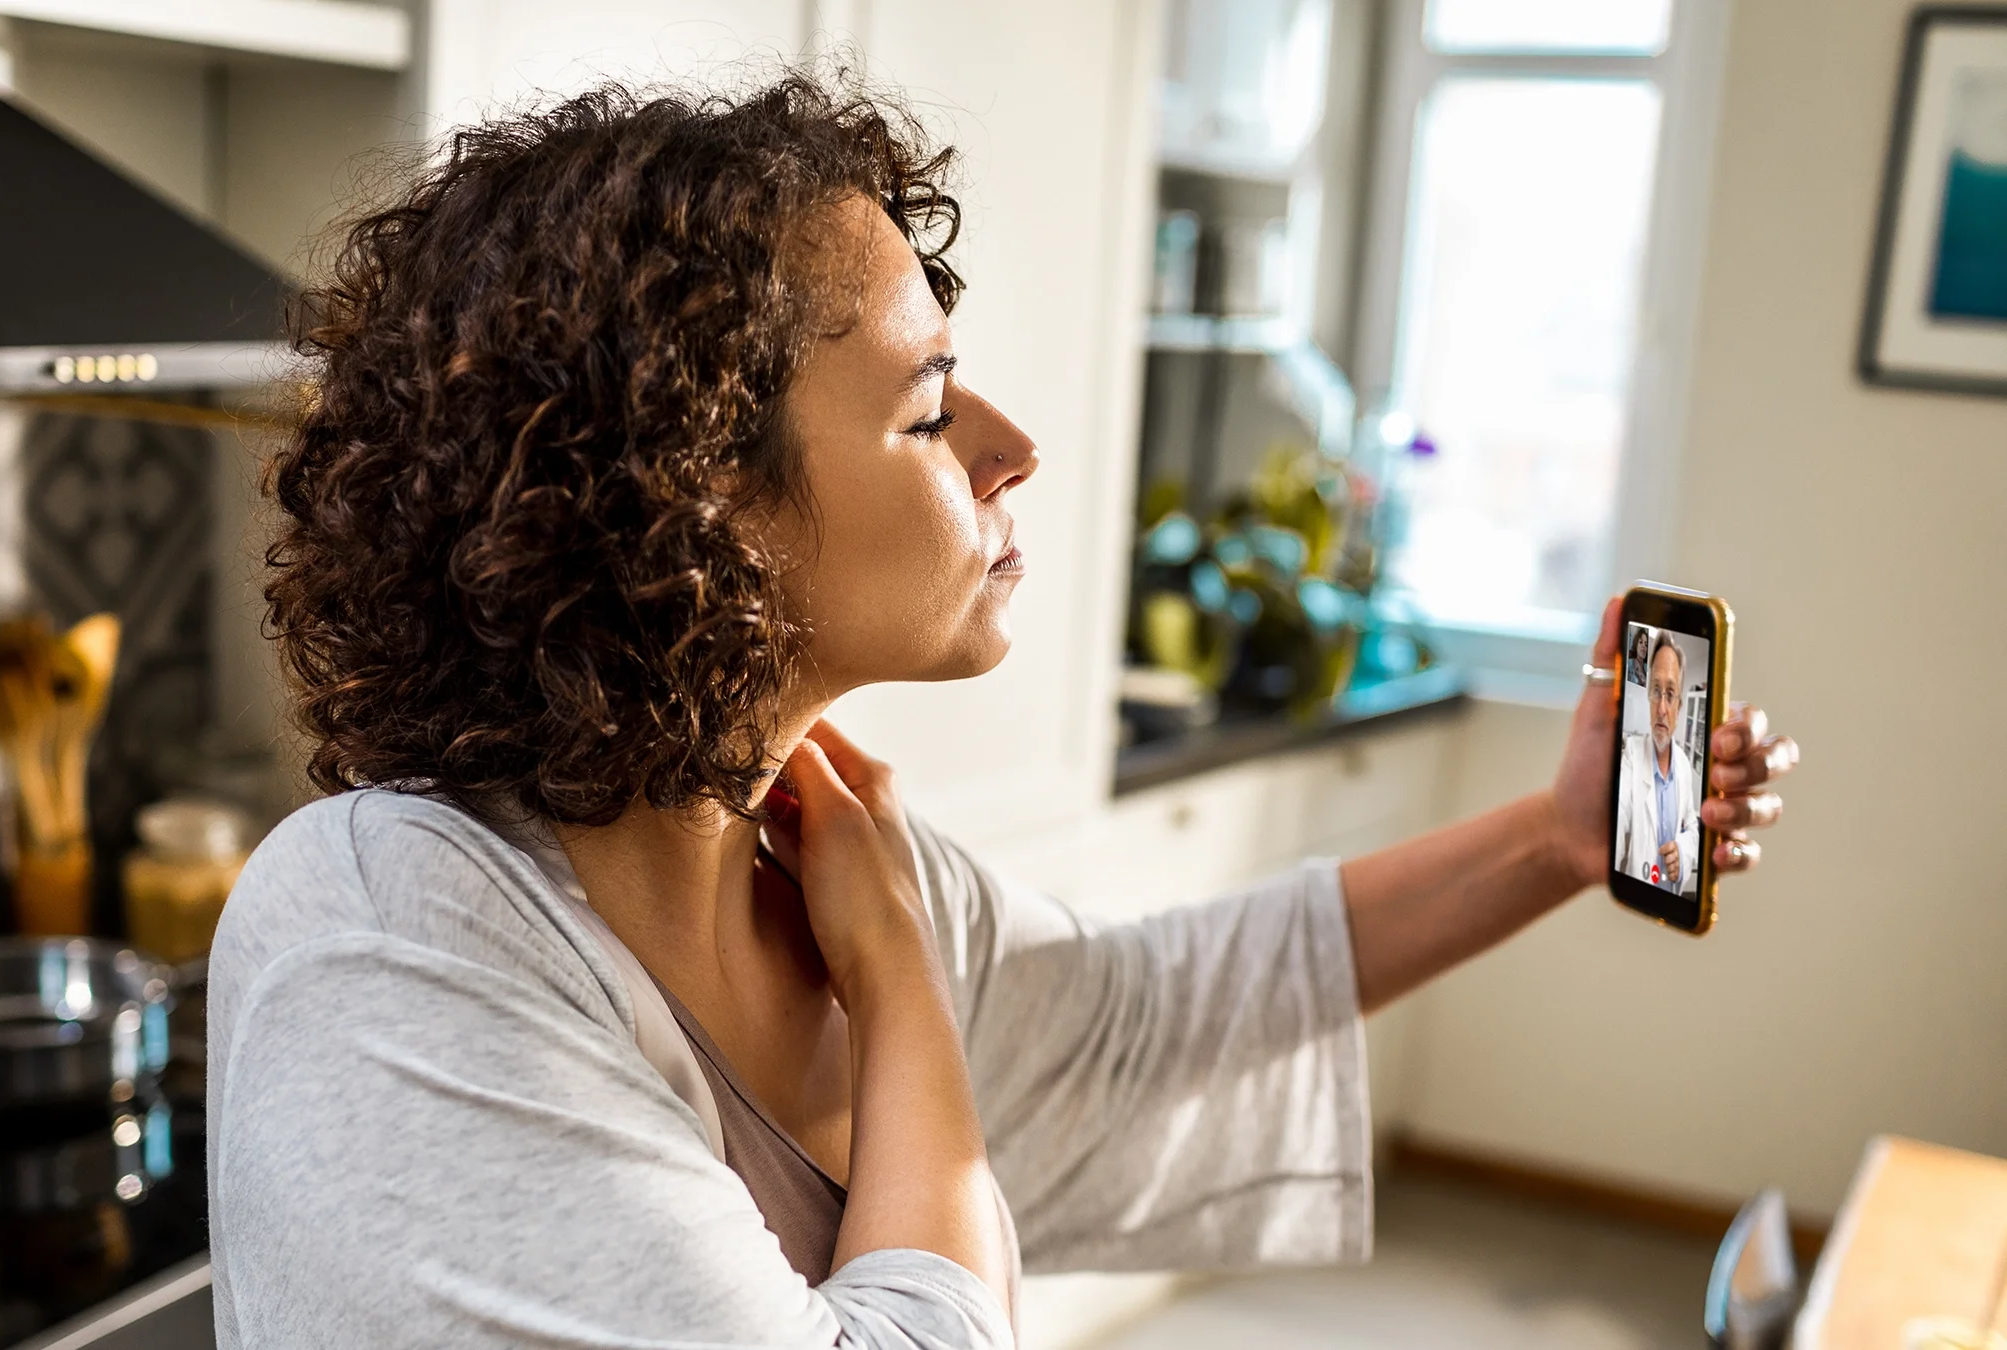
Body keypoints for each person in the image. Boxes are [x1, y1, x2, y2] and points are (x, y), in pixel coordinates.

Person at [205, 75, 1801, 1349]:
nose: (1013, 442)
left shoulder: (808, 850)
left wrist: (1556, 839)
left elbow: (1145, 1024)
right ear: (701, 503)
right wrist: (903, 990)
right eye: (928, 407)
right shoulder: (389, 930)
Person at [1617, 632, 1705, 893]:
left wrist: (1683, 852)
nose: (1662, 709)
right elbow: (1618, 816)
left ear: (1679, 707)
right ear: (1648, 697)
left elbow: (1692, 827)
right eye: (1656, 691)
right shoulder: (1631, 757)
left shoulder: (1684, 765)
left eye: (1670, 693)